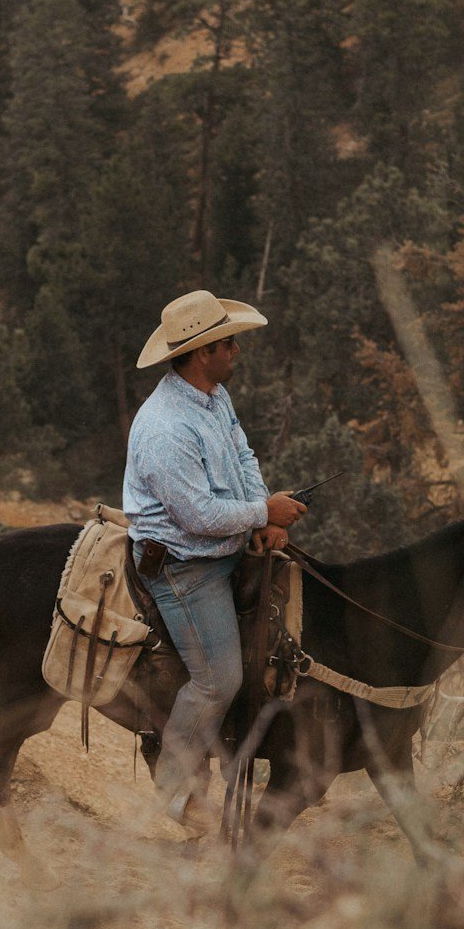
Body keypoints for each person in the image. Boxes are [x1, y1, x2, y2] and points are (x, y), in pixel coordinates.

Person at [123, 290, 307, 834]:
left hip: (225, 545)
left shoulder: (213, 397)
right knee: (217, 678)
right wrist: (261, 511)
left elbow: (243, 454)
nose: (237, 351)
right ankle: (173, 795)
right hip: (185, 564)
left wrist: (265, 519)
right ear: (204, 352)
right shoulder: (165, 428)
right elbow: (198, 515)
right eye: (230, 343)